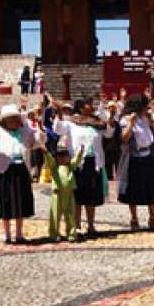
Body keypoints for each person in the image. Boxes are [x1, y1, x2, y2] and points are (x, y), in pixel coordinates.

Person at [0, 102, 44, 243]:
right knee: (6, 202)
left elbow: (38, 142)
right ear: (4, 121)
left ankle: (19, 233)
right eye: (10, 120)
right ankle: (7, 234)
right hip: (5, 170)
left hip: (21, 169)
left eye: (15, 119)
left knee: (20, 202)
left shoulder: (24, 132)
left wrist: (39, 126)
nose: (14, 122)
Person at [55, 98, 113, 233]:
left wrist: (110, 116)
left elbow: (109, 133)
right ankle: (77, 224)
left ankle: (91, 224)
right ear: (81, 108)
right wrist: (58, 110)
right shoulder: (71, 123)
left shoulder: (96, 122)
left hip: (94, 162)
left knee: (91, 195)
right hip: (78, 162)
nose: (92, 106)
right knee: (78, 195)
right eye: (89, 104)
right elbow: (58, 128)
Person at [115, 93, 154, 231]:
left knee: (151, 188)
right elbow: (123, 138)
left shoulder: (145, 119)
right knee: (133, 190)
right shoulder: (126, 119)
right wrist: (130, 123)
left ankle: (153, 217)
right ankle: (134, 218)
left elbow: (151, 135)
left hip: (147, 155)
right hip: (134, 157)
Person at [43, 142, 84, 242]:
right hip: (57, 194)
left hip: (69, 194)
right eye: (60, 155)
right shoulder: (54, 166)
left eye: (65, 155)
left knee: (70, 215)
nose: (62, 157)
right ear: (56, 157)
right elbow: (49, 159)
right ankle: (54, 234)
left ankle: (71, 234)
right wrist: (45, 152)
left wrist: (80, 152)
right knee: (55, 215)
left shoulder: (70, 166)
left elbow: (77, 161)